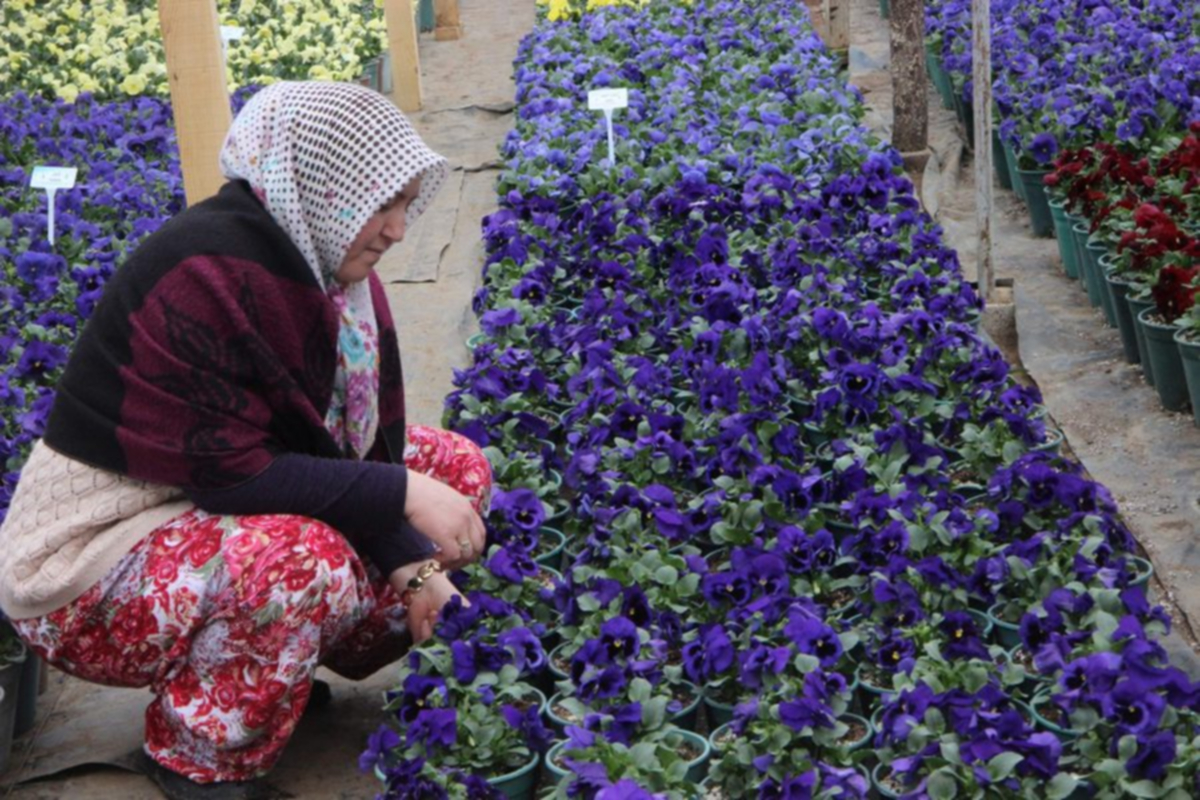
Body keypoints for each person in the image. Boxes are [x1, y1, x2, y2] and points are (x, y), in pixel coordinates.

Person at [0, 82, 490, 800]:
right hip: (86, 563)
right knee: (302, 560)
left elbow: (346, 453)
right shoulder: (204, 271)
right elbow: (232, 477)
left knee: (454, 468)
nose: (397, 230)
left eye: (405, 204)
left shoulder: (335, 275)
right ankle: (199, 759)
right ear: (325, 189)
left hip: (194, 518)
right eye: (382, 204)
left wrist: (414, 567)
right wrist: (406, 501)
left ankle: (259, 675)